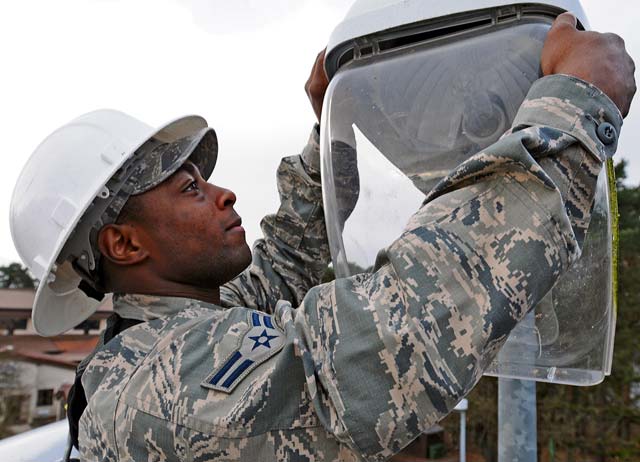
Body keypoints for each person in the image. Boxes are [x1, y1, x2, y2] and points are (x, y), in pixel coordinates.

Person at [10, 13, 635, 462]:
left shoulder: (185, 326)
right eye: (190, 189)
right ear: (125, 245)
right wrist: (575, 111)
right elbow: (392, 338)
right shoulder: (158, 385)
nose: (224, 194)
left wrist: (332, 128)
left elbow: (284, 262)